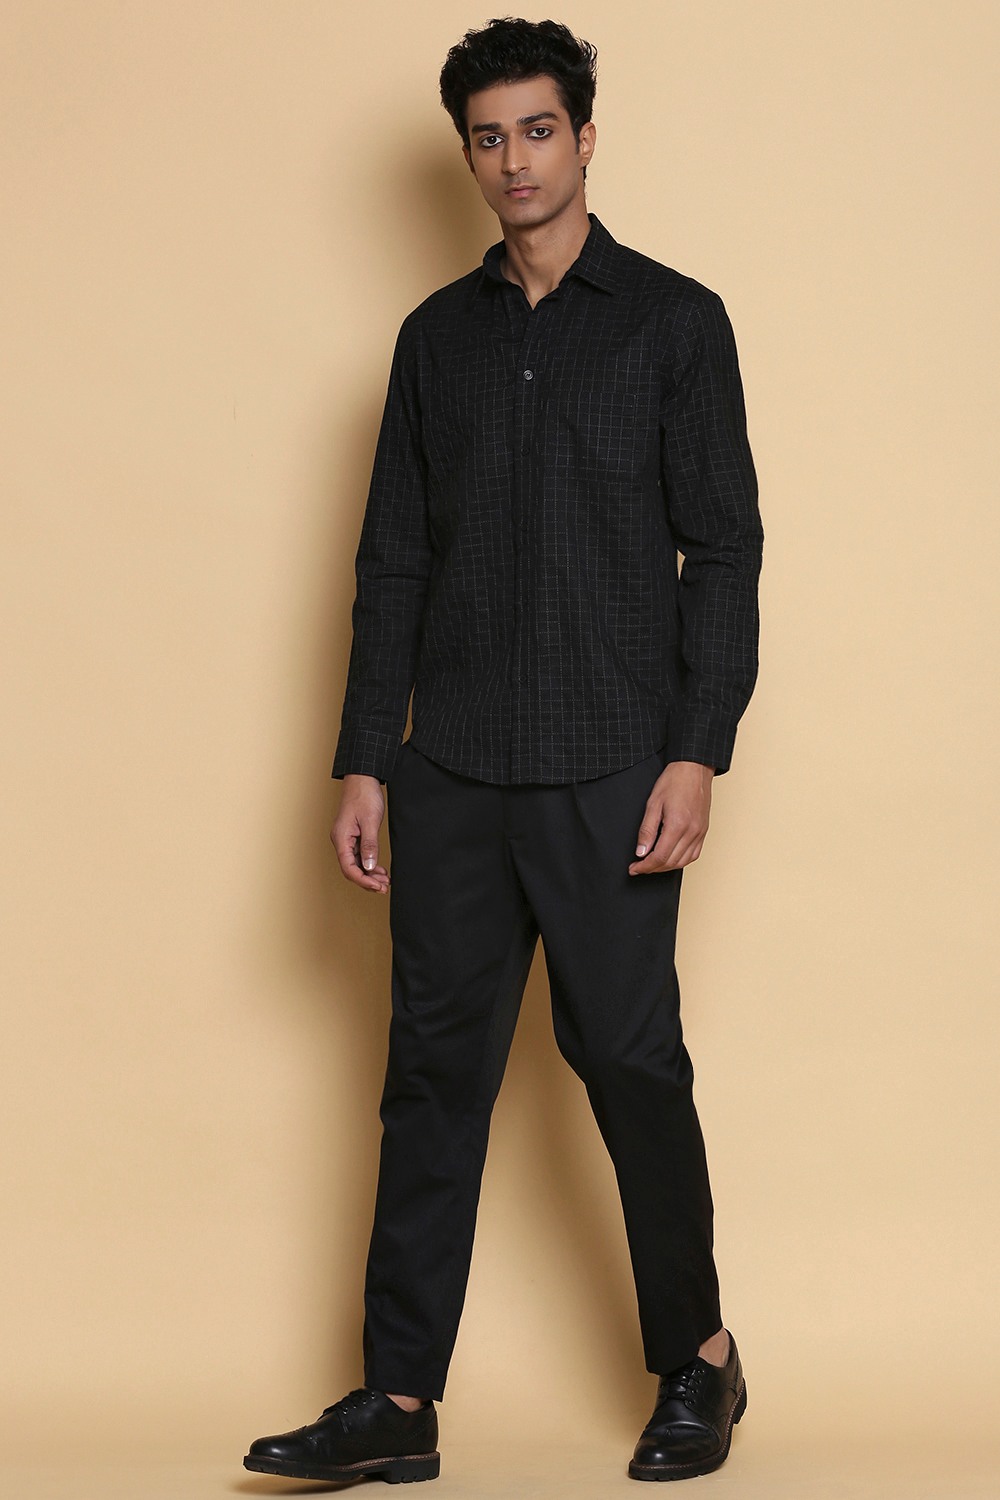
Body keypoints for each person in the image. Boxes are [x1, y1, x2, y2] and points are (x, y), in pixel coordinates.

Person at [245, 15, 762, 1487]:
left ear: (585, 139)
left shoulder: (674, 323)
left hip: (613, 767)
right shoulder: (436, 341)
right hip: (455, 770)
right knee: (432, 1080)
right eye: (489, 136)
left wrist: (697, 749)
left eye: (539, 129)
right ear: (467, 154)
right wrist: (366, 756)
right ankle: (399, 1404)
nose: (515, 159)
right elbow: (393, 561)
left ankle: (701, 1361)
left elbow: (724, 551)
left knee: (630, 1065)